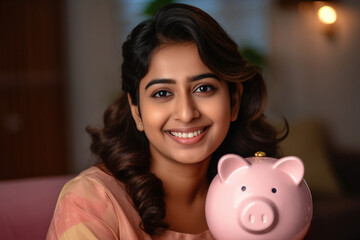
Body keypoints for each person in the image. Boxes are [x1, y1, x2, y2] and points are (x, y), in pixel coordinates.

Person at [47, 3, 286, 240]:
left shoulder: (263, 196)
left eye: (204, 88)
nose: (186, 113)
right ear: (137, 112)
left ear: (234, 102)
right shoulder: (92, 201)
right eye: (162, 93)